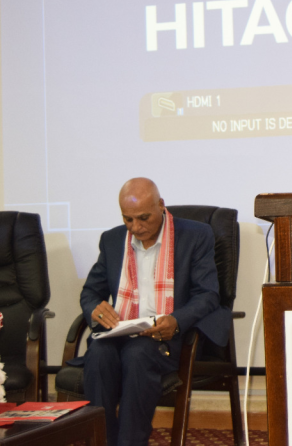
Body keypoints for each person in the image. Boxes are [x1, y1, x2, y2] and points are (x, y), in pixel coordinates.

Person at [77, 178, 228, 446]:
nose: (136, 227)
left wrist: (176, 321)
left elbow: (208, 294)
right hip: (119, 334)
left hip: (166, 339)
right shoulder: (112, 240)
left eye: (143, 218)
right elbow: (90, 293)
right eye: (128, 219)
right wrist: (94, 309)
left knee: (138, 354)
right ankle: (100, 441)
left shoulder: (196, 235)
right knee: (98, 353)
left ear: (161, 205)